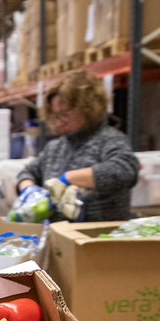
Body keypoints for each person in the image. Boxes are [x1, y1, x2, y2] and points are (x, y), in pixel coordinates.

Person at [16, 70, 139, 221]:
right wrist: (29, 190)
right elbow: (27, 173)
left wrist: (68, 178)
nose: (59, 121)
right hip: (59, 239)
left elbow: (125, 170)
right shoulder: (55, 147)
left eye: (65, 114)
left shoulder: (110, 140)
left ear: (88, 108)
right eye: (55, 116)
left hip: (97, 239)